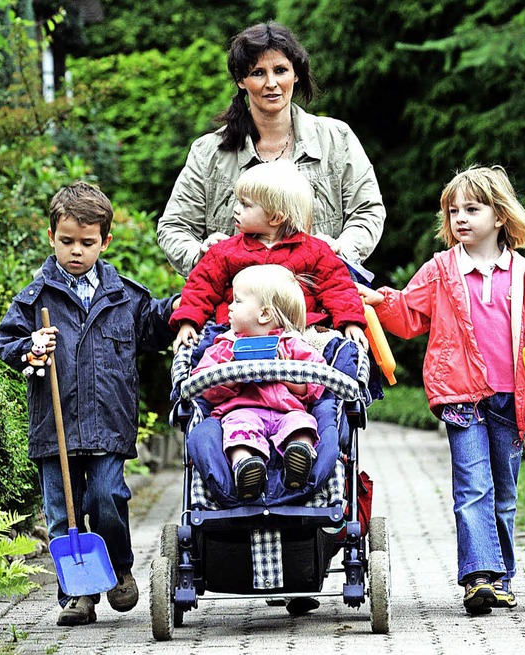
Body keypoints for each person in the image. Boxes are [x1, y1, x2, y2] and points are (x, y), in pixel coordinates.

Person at [358, 165, 525, 615]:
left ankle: (502, 576)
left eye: (472, 209)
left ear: (500, 216)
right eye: (453, 211)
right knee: (473, 487)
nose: (461, 219)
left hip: (511, 398)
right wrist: (382, 301)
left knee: (505, 494)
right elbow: (410, 315)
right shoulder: (440, 271)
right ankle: (478, 579)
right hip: (460, 396)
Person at [0, 182, 180, 627]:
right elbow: (7, 342)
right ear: (51, 237)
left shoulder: (125, 297)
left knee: (106, 495)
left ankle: (118, 568)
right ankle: (77, 594)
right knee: (63, 514)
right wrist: (30, 346)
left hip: (108, 426)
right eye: (67, 241)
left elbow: (159, 324)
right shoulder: (34, 298)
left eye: (87, 242)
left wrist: (190, 306)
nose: (76, 251)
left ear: (105, 241)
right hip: (53, 429)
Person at [157, 20, 386, 279]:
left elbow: (368, 210)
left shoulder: (337, 139)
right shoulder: (208, 153)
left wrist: (342, 249)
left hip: (321, 298)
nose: (271, 83)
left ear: (296, 74)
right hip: (234, 305)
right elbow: (174, 227)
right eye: (257, 73)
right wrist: (201, 255)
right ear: (241, 80)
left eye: (280, 70)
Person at [169, 158, 368, 350]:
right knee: (200, 352)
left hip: (301, 332)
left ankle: (322, 384)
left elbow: (338, 288)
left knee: (341, 352)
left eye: (245, 204)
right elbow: (201, 286)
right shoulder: (225, 250)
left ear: (275, 217)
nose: (236, 210)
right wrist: (188, 322)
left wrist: (351, 322)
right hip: (235, 332)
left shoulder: (315, 251)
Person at [191, 264, 327, 500]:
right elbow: (202, 383)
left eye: (237, 301)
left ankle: (299, 456)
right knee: (238, 430)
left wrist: (286, 375)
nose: (229, 307)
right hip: (243, 409)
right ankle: (246, 467)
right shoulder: (225, 346)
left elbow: (317, 383)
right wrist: (230, 377)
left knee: (303, 423)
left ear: (264, 314)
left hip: (287, 410)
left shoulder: (291, 345)